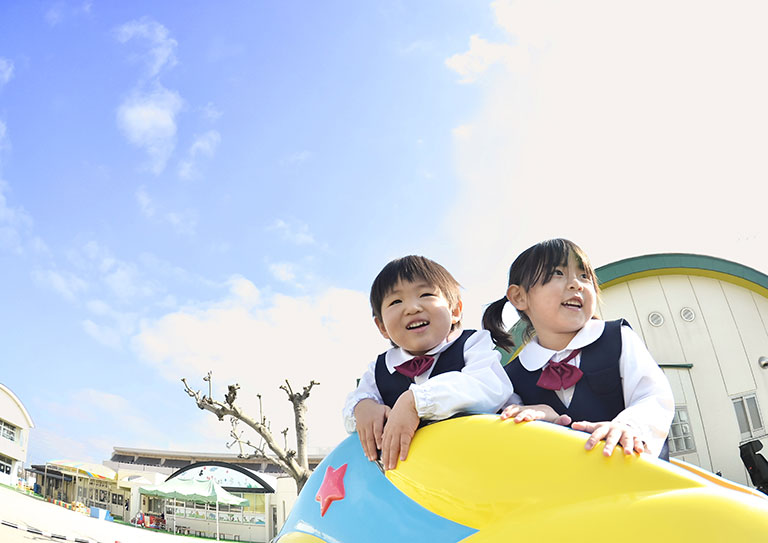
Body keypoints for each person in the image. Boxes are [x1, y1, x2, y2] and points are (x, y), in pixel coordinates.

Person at [482, 238, 674, 458]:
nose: (576, 284)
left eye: (584, 276)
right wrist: (547, 423)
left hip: (638, 478)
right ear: (519, 296)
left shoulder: (617, 338)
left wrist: (629, 426)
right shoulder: (512, 376)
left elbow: (654, 396)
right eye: (557, 273)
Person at [343, 255, 515, 470]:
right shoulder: (379, 369)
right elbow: (355, 405)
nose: (413, 308)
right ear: (382, 327)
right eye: (396, 301)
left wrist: (416, 401)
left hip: (481, 467)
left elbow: (490, 386)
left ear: (455, 311)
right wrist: (363, 407)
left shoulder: (471, 344)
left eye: (426, 294)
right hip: (415, 483)